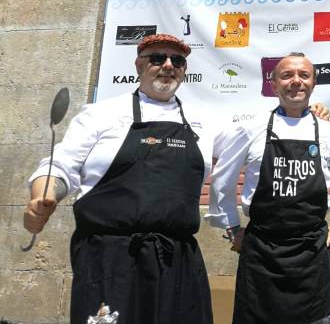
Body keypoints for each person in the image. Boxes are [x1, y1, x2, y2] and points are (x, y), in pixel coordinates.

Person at [23, 33, 215, 324]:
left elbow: (257, 141)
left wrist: (311, 113)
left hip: (177, 260)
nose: (168, 65)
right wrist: (43, 196)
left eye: (177, 60)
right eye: (157, 58)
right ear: (139, 65)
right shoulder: (101, 115)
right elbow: (60, 165)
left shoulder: (205, 121)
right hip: (110, 258)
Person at [207, 52, 330, 324]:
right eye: (287, 75)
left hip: (311, 250)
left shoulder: (329, 132)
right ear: (274, 83)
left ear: (313, 83)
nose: (296, 82)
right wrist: (232, 228)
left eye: (304, 75)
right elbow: (222, 179)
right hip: (260, 251)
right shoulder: (251, 128)